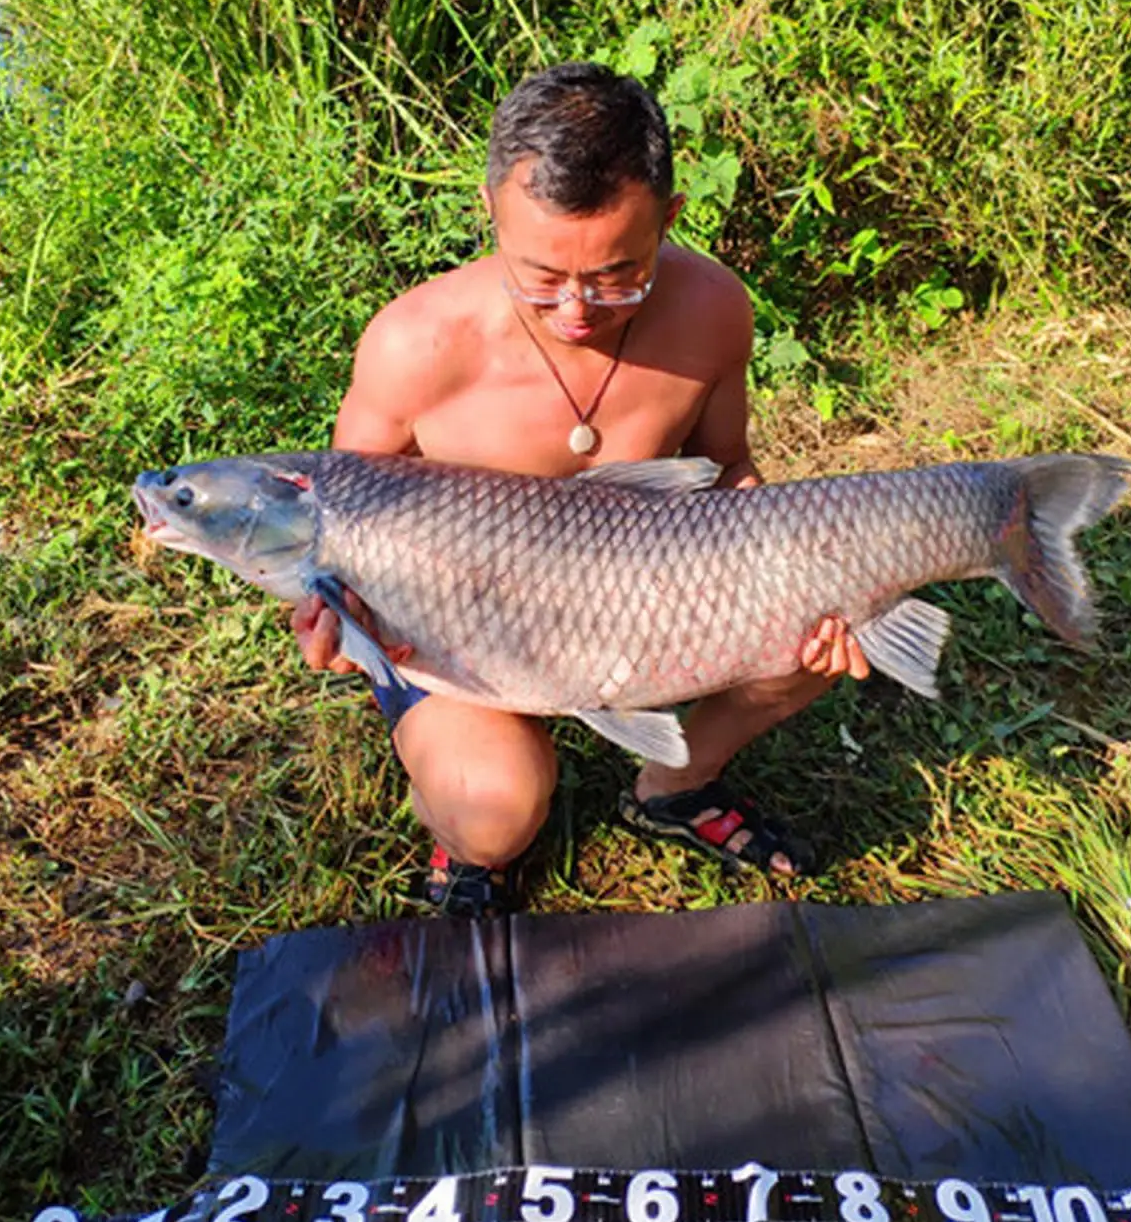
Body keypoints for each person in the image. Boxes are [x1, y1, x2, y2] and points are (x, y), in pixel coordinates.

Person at [292, 62, 870, 917]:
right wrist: (331, 614)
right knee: (496, 811)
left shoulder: (713, 308)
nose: (574, 311)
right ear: (489, 212)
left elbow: (730, 468)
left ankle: (676, 783)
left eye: (615, 276)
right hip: (463, 639)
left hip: (651, 605)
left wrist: (792, 587)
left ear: (670, 221)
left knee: (843, 600)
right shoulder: (413, 345)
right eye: (540, 276)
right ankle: (468, 839)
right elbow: (336, 533)